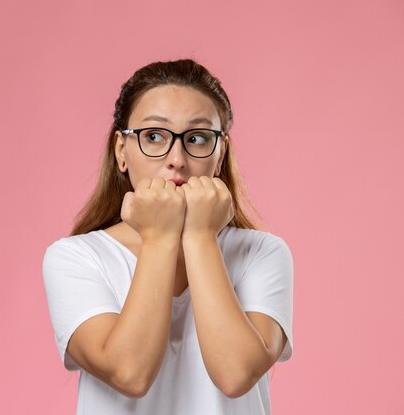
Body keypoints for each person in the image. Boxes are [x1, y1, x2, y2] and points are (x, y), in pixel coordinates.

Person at [42, 59, 293, 415]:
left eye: (198, 138)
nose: (177, 159)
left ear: (219, 154)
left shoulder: (262, 253)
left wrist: (200, 237)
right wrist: (160, 237)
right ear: (121, 152)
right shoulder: (76, 257)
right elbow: (130, 373)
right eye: (155, 136)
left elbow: (236, 375)